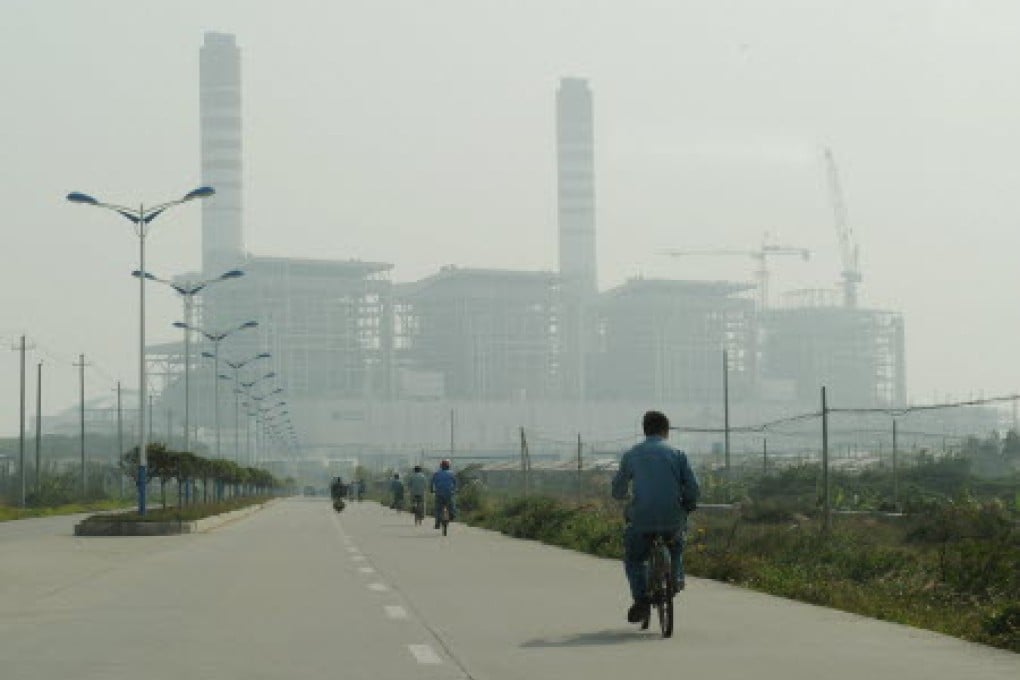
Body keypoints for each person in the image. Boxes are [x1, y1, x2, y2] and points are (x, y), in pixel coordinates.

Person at [611, 410, 699, 624]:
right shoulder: (678, 454)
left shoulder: (632, 454)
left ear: (645, 430)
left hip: (641, 518)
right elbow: (693, 487)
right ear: (666, 431)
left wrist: (623, 496)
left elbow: (618, 489)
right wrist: (688, 505)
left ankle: (641, 599)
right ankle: (675, 579)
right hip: (672, 517)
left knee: (634, 559)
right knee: (676, 545)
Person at [430, 458, 458, 530]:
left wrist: (431, 490)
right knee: (452, 505)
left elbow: (432, 483)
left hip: (439, 493)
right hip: (449, 493)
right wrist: (455, 490)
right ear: (448, 466)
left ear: (441, 466)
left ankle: (437, 523)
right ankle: (452, 515)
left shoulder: (436, 473)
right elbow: (455, 483)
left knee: (438, 509)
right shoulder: (452, 473)